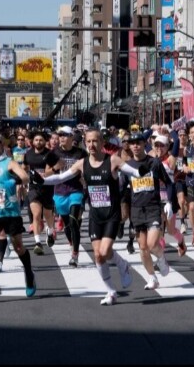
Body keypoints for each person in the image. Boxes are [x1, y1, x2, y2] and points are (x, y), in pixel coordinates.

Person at [38, 129, 135, 304]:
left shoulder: (112, 160)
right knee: (98, 255)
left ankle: (122, 265)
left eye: (95, 141)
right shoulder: (82, 163)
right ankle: (111, 291)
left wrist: (145, 169)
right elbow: (60, 178)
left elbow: (133, 171)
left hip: (111, 214)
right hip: (95, 215)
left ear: (102, 142)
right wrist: (42, 180)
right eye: (88, 141)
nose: (91, 145)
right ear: (85, 143)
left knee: (104, 251)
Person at [0, 133, 36, 298]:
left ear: (1, 145)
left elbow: (25, 177)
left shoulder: (9, 163)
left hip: (11, 212)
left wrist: (14, 181)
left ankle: (29, 274)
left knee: (18, 247)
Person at [125, 132, 173, 290]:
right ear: (129, 146)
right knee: (143, 247)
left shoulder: (154, 162)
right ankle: (152, 277)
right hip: (137, 210)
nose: (135, 146)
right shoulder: (127, 166)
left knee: (152, 244)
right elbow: (122, 189)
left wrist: (169, 202)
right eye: (132, 143)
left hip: (153, 208)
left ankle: (161, 258)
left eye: (138, 143)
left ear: (144, 144)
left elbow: (169, 183)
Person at [45, 126, 88, 267]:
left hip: (76, 190)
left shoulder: (81, 153)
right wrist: (56, 168)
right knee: (67, 225)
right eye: (60, 135)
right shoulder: (54, 153)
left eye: (64, 135)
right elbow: (46, 173)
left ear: (71, 137)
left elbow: (87, 169)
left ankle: (75, 254)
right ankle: (71, 243)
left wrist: (84, 177)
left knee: (74, 221)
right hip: (59, 192)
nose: (61, 138)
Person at [23, 130, 56, 255]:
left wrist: (45, 174)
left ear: (45, 141)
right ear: (33, 141)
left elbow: (52, 170)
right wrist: (23, 179)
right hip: (33, 188)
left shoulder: (50, 154)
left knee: (48, 215)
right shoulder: (28, 154)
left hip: (47, 187)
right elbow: (24, 167)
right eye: (36, 140)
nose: (38, 142)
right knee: (36, 214)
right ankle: (38, 242)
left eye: (41, 140)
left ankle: (50, 232)